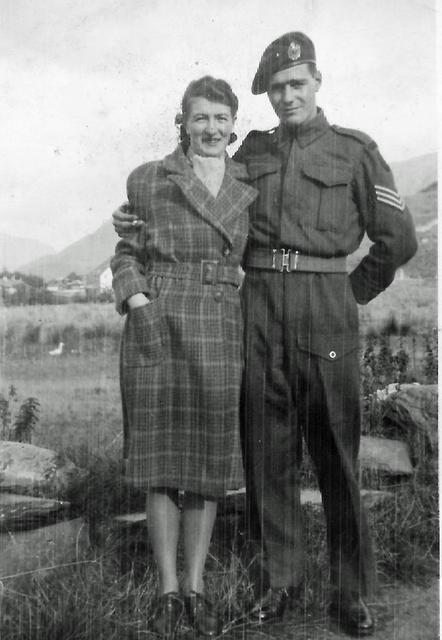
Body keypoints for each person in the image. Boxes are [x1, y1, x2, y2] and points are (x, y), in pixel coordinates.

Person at [113, 32, 417, 638]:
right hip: (257, 313)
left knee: (336, 447)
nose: (287, 96)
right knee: (267, 453)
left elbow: (397, 240)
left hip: (328, 318)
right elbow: (202, 191)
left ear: (316, 83)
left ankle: (351, 593)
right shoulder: (250, 150)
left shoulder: (356, 152)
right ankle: (281, 585)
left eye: (296, 84)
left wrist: (346, 293)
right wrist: (131, 218)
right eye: (276, 88)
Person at [111, 75, 257, 640]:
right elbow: (126, 253)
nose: (212, 129)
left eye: (222, 118)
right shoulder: (150, 179)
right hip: (161, 325)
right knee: (162, 465)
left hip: (221, 324)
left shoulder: (250, 182)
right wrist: (140, 299)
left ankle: (196, 587)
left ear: (233, 124)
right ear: (183, 121)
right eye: (201, 118)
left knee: (207, 465)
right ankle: (167, 590)